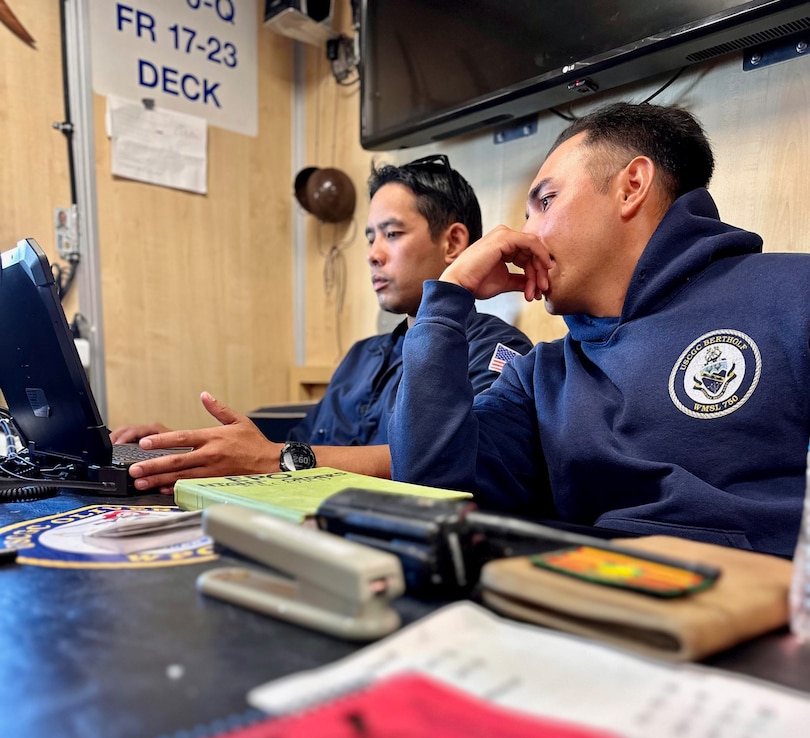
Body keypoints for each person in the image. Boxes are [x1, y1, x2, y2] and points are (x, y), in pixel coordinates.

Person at [389, 102, 810, 558]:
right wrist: (447, 301)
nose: (525, 235)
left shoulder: (794, 294)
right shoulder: (539, 376)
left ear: (632, 187)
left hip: (761, 609)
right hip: (582, 604)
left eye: (545, 202)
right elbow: (429, 490)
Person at [111, 157, 531, 493]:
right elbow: (286, 447)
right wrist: (188, 450)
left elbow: (451, 461)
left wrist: (272, 459)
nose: (373, 254)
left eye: (392, 234)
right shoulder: (361, 355)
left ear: (454, 243)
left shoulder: (497, 349)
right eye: (370, 238)